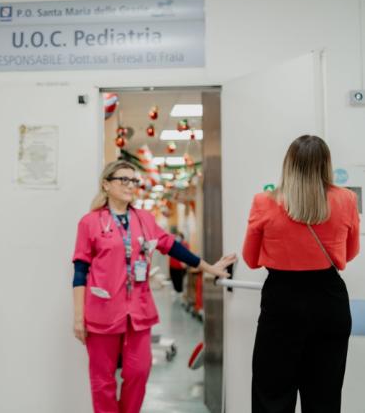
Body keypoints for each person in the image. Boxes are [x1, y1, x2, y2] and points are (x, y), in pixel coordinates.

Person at [71, 160, 236, 413]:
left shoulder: (144, 219)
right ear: (106, 184)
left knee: (139, 370)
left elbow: (173, 247)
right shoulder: (90, 222)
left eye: (133, 180)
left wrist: (209, 267)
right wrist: (78, 318)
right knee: (102, 379)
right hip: (102, 312)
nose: (130, 185)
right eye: (123, 180)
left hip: (138, 311)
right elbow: (80, 272)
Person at [243, 135, 359, 413]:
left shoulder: (264, 201)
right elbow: (350, 253)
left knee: (272, 396)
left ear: (289, 164)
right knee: (324, 398)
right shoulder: (347, 199)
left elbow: (251, 259)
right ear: (326, 164)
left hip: (281, 302)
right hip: (329, 301)